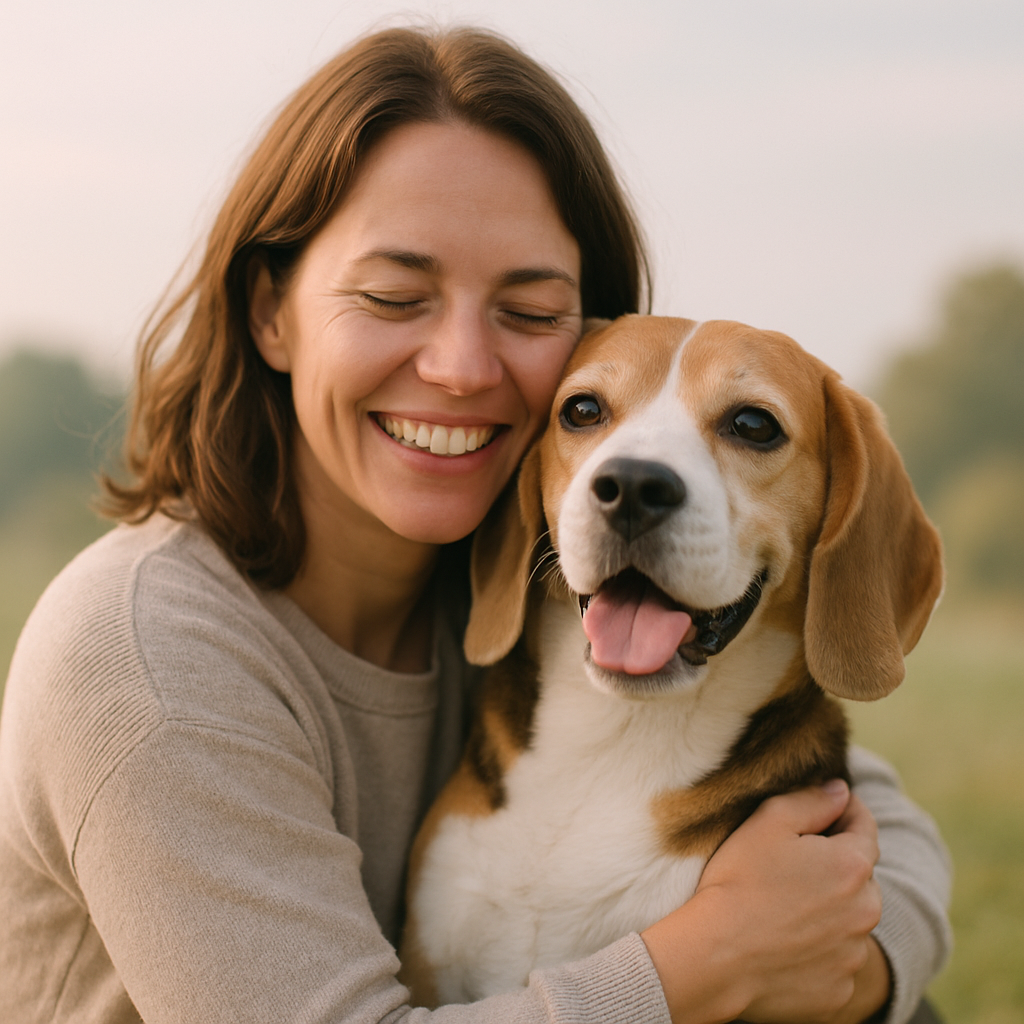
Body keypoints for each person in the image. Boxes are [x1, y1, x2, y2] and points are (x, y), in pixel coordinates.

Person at [0, 25, 950, 1024]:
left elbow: (856, 803)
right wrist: (700, 968)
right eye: (394, 294)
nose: (458, 366)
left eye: (530, 310)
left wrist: (867, 962)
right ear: (271, 310)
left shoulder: (519, 573)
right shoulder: (149, 661)